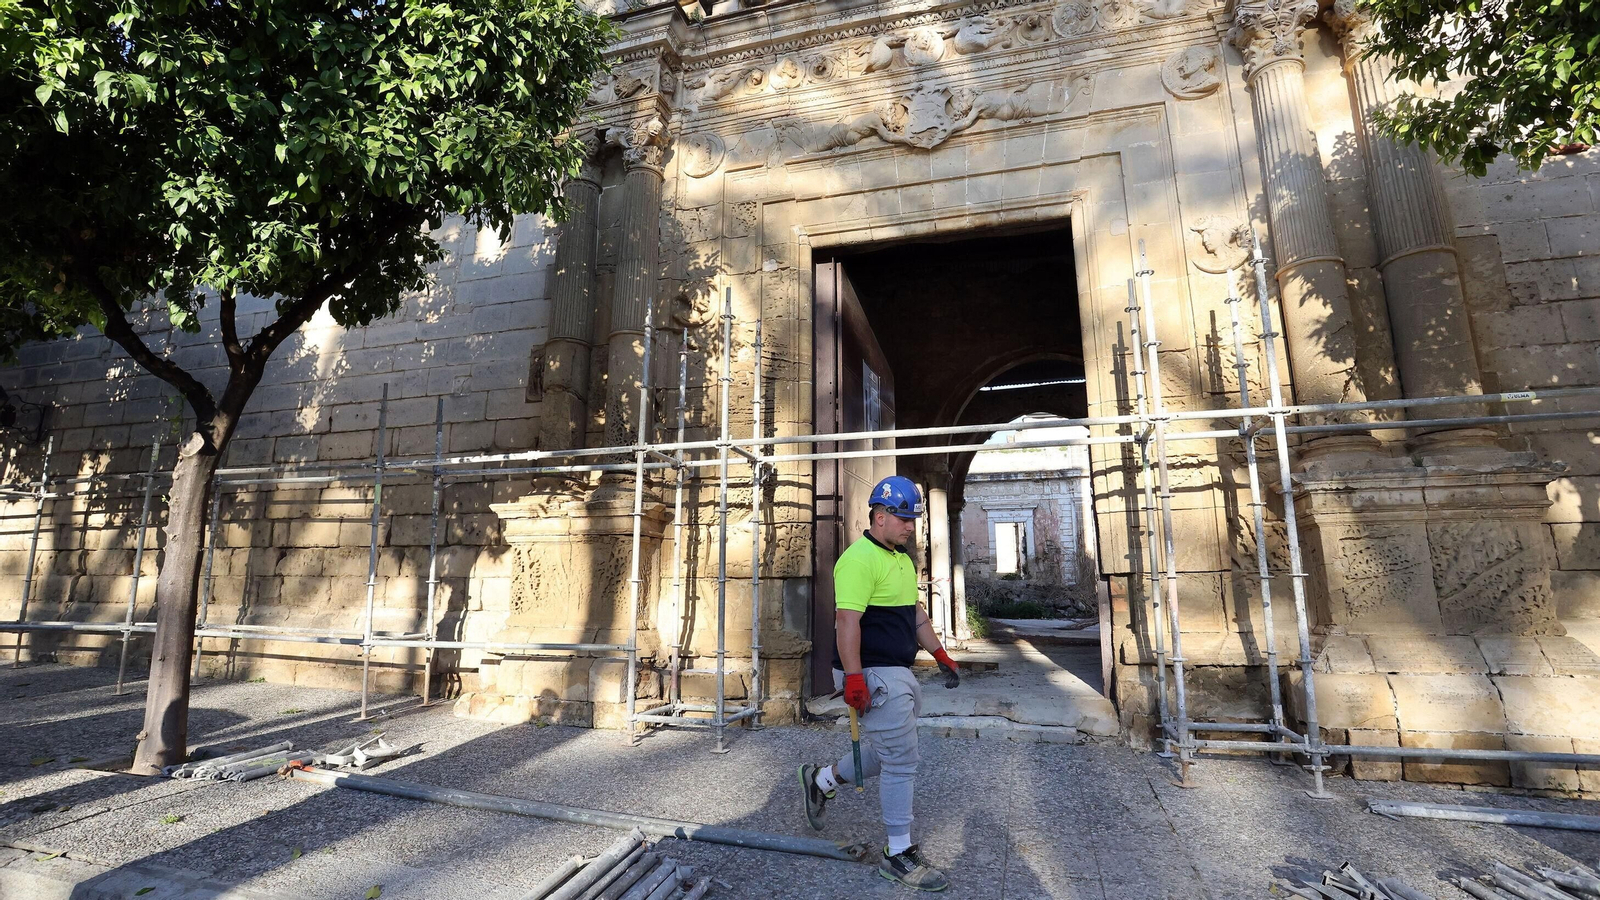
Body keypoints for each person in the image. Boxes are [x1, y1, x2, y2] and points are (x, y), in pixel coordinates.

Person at [798, 475, 963, 892]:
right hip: (870, 670)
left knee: (887, 751)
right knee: (902, 760)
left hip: (895, 670)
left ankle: (822, 780)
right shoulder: (858, 560)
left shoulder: (903, 561)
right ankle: (898, 853)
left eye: (914, 519)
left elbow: (915, 616)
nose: (910, 526)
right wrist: (854, 677)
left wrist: (939, 654)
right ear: (880, 516)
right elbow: (846, 622)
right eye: (903, 518)